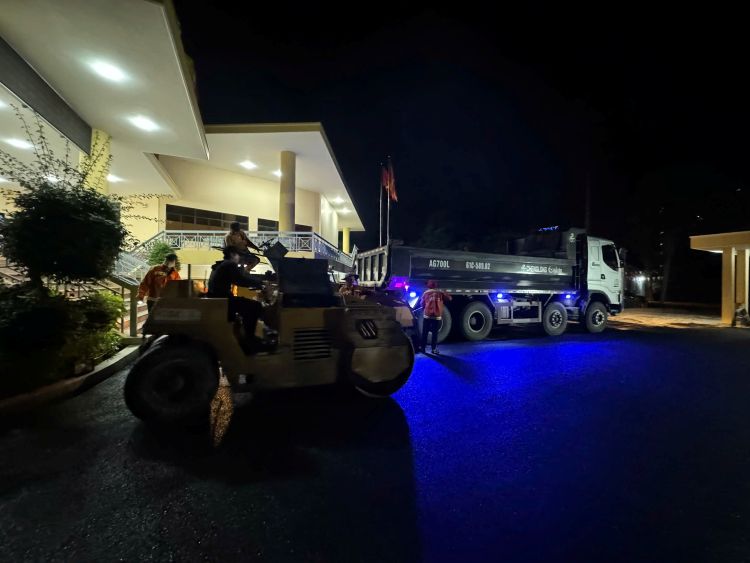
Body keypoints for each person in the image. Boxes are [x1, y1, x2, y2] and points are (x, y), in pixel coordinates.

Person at [208, 247, 264, 348]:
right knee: (255, 306)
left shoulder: (222, 264)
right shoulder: (229, 264)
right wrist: (259, 283)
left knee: (248, 305)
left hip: (220, 298)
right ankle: (250, 339)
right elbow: (240, 280)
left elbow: (239, 278)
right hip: (224, 300)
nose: (240, 258)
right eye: (238, 255)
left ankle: (245, 336)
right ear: (232, 254)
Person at [420, 279, 451, 354]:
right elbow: (449, 298)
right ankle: (433, 349)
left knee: (425, 332)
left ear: (428, 286)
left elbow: (422, 303)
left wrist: (424, 308)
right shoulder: (439, 293)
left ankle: (423, 349)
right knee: (435, 333)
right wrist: (444, 292)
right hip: (436, 317)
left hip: (427, 316)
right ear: (436, 286)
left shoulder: (425, 293)